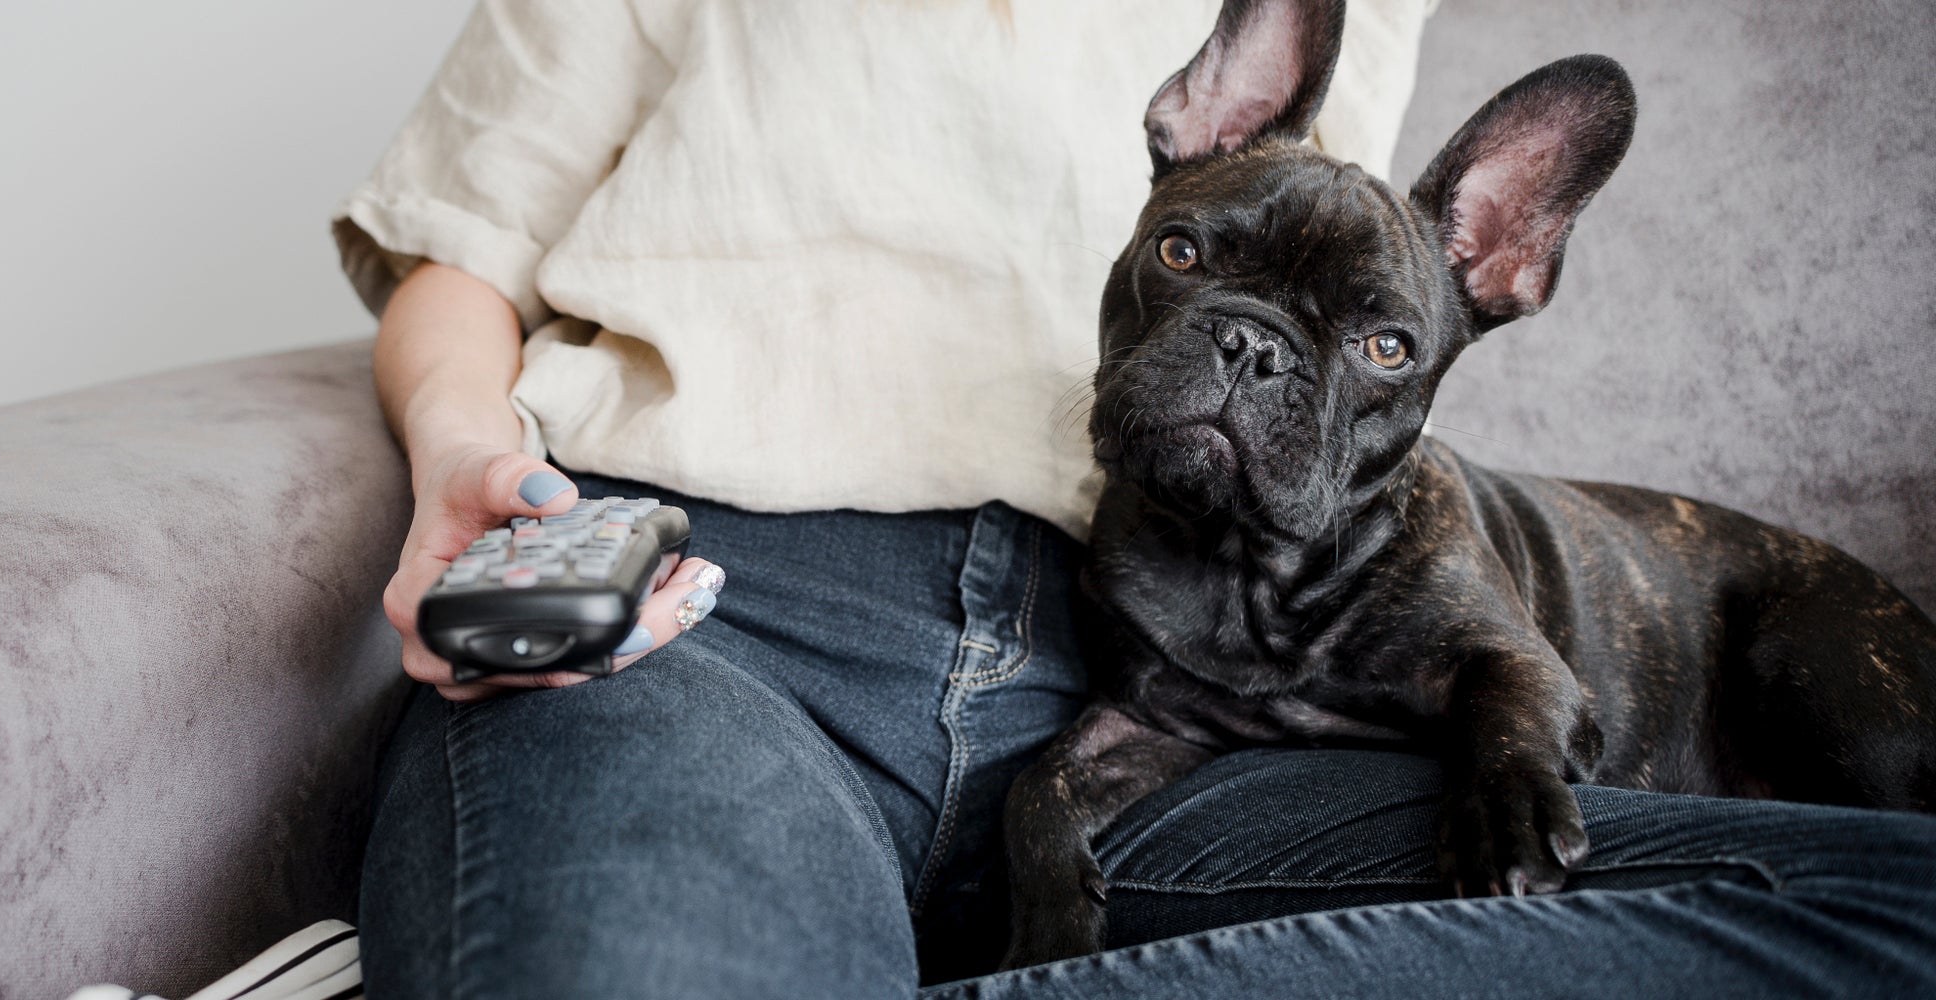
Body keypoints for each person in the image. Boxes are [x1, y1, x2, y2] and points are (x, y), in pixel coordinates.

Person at [335, 2, 1936, 997]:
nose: (1248, 352)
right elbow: (449, 253)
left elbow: (1354, 293)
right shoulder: (1240, 101)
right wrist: (465, 452)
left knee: (1891, 913)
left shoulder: (1342, 71)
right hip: (716, 635)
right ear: (1200, 117)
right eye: (1190, 263)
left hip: (1167, 696)